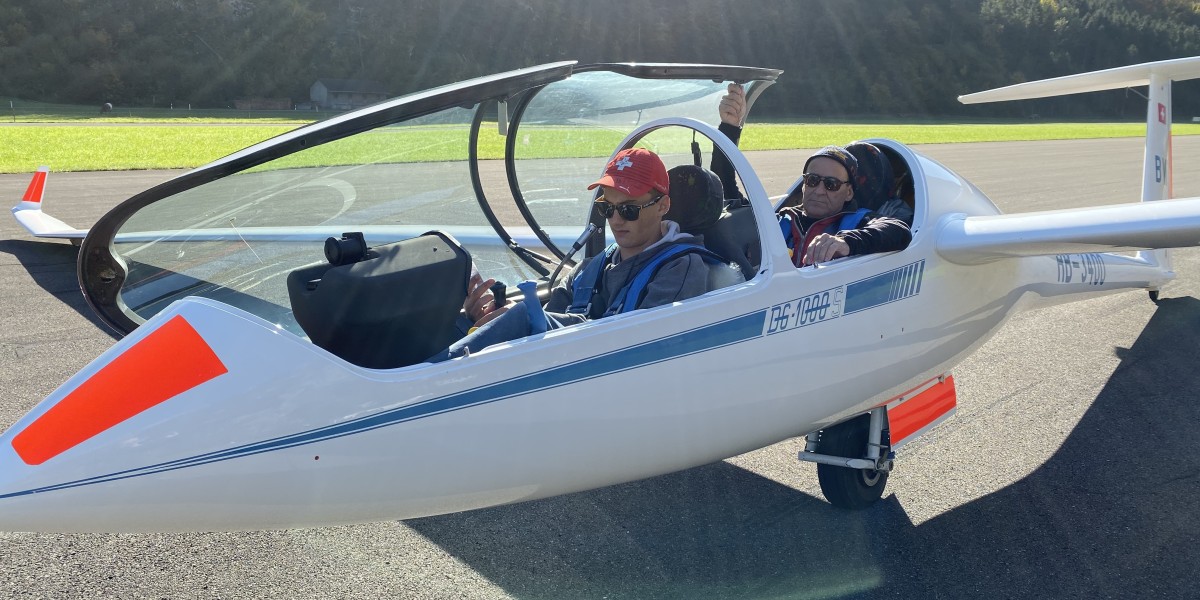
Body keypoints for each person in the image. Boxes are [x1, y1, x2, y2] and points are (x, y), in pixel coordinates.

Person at [429, 148, 717, 362]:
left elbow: (644, 350)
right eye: (607, 208)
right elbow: (549, 320)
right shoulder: (590, 269)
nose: (616, 220)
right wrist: (490, 316)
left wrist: (525, 319)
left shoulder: (681, 268)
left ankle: (425, 381)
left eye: (629, 210)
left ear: (663, 206)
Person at [710, 84, 911, 266]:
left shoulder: (860, 221)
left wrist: (845, 242)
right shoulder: (779, 220)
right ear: (804, 184)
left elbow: (899, 230)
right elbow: (727, 193)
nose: (819, 190)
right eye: (813, 180)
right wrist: (729, 127)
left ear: (849, 192)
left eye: (831, 184)